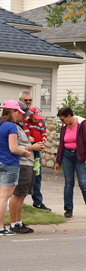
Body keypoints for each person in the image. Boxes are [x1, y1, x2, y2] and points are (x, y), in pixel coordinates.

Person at [1, 101, 35, 236]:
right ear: (11, 112)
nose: (20, 115)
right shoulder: (11, 126)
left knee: (2, 197)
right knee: (4, 198)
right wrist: (25, 152)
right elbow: (13, 148)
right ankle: (1, 227)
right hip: (10, 164)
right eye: (17, 112)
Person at [54, 107, 86, 219]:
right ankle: (68, 209)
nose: (62, 122)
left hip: (79, 156)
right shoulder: (64, 126)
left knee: (83, 184)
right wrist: (58, 161)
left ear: (69, 116)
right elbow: (61, 143)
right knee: (68, 183)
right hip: (67, 155)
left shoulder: (82, 123)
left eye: (63, 119)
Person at [8, 112, 45, 234]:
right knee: (17, 193)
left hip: (28, 162)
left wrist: (33, 145)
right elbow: (15, 147)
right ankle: (14, 224)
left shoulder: (19, 126)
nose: (25, 118)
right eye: (23, 114)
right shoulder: (11, 127)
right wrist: (32, 147)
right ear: (15, 113)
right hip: (21, 162)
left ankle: (18, 222)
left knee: (22, 194)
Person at [21, 103, 50, 211]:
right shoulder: (25, 122)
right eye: (35, 118)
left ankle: (38, 201)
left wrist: (44, 138)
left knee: (37, 175)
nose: (37, 120)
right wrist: (29, 137)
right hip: (28, 150)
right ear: (30, 116)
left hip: (37, 150)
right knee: (24, 177)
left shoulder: (40, 123)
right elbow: (26, 130)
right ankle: (19, 201)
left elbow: (43, 131)